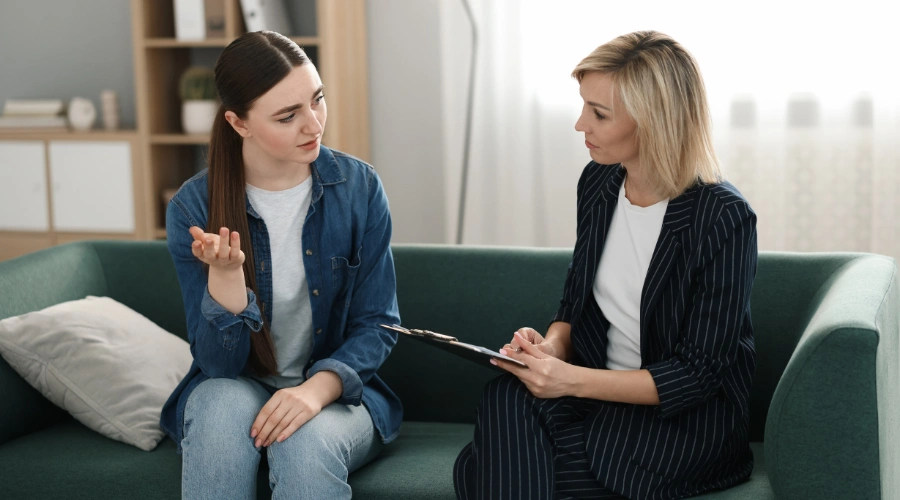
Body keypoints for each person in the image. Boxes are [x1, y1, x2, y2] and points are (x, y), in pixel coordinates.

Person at [454, 31, 758, 500]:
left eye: (598, 114)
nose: (580, 125)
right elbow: (575, 300)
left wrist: (568, 380)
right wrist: (552, 348)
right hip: (594, 397)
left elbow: (697, 374)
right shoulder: (598, 183)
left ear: (654, 121)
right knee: (503, 396)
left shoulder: (723, 217)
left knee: (495, 470)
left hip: (679, 422)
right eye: (583, 107)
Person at [158, 31, 403, 500]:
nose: (313, 125)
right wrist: (227, 278)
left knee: (305, 444)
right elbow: (217, 365)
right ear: (239, 122)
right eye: (288, 116)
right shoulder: (194, 209)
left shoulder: (359, 189)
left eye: (318, 100)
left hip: (334, 395)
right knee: (214, 407)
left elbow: (378, 323)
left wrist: (314, 391)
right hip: (238, 387)